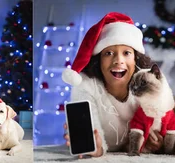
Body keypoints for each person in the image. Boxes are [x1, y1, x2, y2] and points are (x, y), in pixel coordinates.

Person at [61, 12, 163, 157]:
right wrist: (96, 147)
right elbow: (94, 136)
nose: (118, 60)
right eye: (108, 53)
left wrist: (153, 142)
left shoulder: (147, 85)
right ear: (99, 61)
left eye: (126, 53)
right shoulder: (86, 86)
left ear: (136, 60)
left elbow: (155, 126)